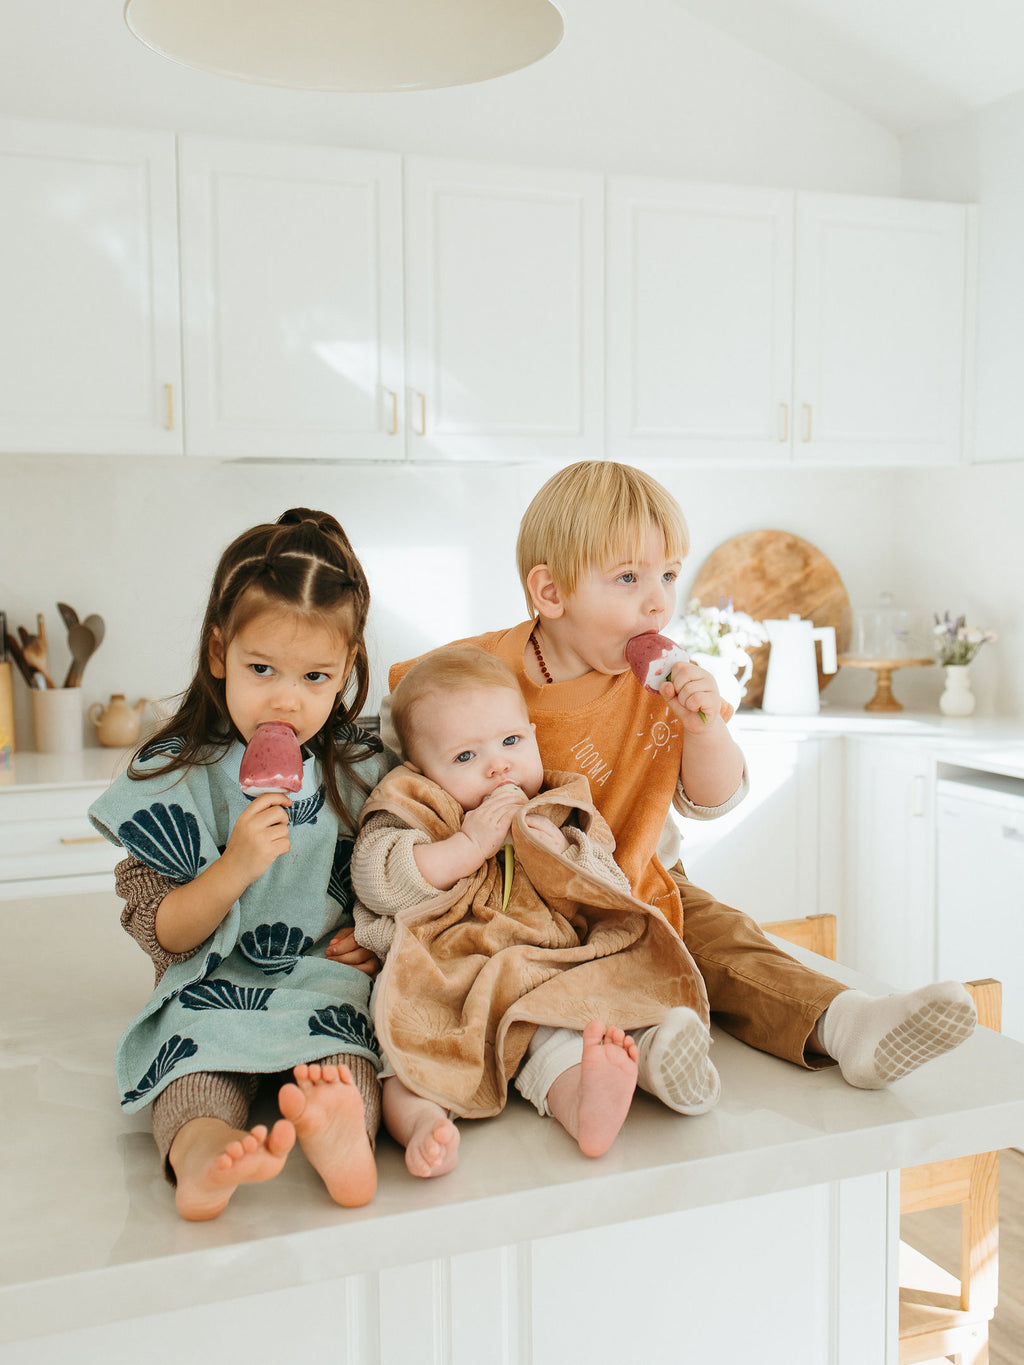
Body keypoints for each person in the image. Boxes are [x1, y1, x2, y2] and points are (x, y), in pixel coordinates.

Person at [384, 461, 977, 1110]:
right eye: (629, 578)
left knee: (727, 940)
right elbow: (400, 745)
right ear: (551, 594)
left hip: (639, 877)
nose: (658, 601)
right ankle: (647, 1059)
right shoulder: (478, 671)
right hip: (521, 901)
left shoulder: (669, 683)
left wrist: (703, 730)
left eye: (668, 574)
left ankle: (847, 1023)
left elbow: (714, 799)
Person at [89, 509, 398, 1222]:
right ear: (219, 652)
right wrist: (234, 865)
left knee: (350, 1053)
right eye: (262, 668)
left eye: (315, 675)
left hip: (324, 980)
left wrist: (378, 938)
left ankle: (343, 1132)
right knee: (191, 1067)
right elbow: (164, 932)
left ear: (347, 668)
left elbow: (404, 873)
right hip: (212, 983)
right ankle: (202, 1152)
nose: (286, 697)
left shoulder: (363, 767)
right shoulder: (175, 773)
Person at [335, 647, 712, 1178]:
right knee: (406, 1057)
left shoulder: (558, 808)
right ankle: (422, 1123)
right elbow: (375, 879)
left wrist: (563, 852)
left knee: (565, 1033)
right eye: (465, 757)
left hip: (543, 972)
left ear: (533, 736)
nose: (498, 764)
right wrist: (466, 845)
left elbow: (612, 892)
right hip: (445, 976)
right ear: (419, 770)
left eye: (511, 741)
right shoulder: (415, 805)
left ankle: (599, 1096)